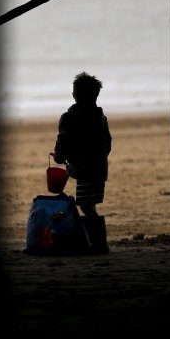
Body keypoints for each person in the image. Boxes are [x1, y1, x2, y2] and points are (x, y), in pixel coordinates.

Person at [52, 71, 112, 254]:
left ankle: (100, 244)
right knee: (90, 203)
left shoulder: (69, 117)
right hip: (99, 168)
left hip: (85, 170)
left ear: (75, 94)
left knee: (86, 206)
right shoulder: (100, 117)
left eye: (74, 90)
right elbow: (107, 144)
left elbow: (63, 142)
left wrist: (59, 157)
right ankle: (95, 243)